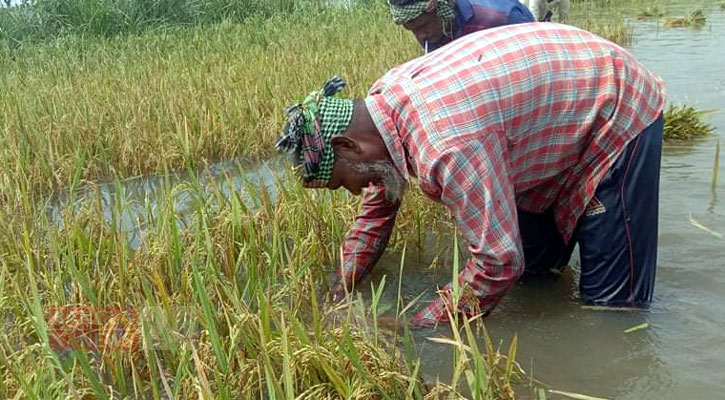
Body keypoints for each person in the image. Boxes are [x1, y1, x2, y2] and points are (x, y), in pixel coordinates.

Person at [275, 23, 666, 327]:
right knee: (536, 272)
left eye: (342, 182)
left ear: (348, 147)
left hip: (615, 104)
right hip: (547, 123)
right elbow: (377, 213)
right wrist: (340, 289)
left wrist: (420, 325)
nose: (351, 192)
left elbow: (498, 261)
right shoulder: (383, 106)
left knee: (610, 311)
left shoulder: (446, 146)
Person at [388, 0, 534, 52]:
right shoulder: (432, 30)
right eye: (412, 30)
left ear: (436, 6)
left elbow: (534, 49)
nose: (421, 36)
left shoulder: (500, 17)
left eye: (423, 26)